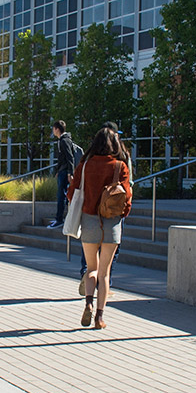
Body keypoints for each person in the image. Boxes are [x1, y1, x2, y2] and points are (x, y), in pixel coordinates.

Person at [66, 125, 132, 330]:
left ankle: (88, 303)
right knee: (105, 272)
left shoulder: (85, 165)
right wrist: (123, 213)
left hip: (89, 219)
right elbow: (127, 195)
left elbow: (72, 191)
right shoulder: (120, 166)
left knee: (91, 269)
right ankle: (100, 318)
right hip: (111, 221)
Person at [48, 120, 81, 229]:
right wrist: (58, 171)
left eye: (53, 129)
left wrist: (70, 173)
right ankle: (61, 218)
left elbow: (69, 157)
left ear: (57, 129)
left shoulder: (64, 141)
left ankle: (59, 219)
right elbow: (63, 159)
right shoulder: (63, 140)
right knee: (64, 196)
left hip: (65, 172)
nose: (53, 131)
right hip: (63, 171)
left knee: (61, 196)